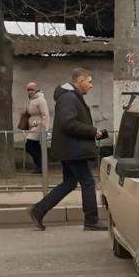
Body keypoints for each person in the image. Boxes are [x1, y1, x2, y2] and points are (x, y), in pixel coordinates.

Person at [27, 68, 108, 231]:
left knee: (70, 182)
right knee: (88, 181)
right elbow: (68, 123)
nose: (91, 86)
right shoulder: (69, 98)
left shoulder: (70, 97)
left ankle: (38, 210)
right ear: (80, 81)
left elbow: (69, 122)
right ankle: (91, 220)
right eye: (89, 82)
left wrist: (93, 133)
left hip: (71, 147)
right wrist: (92, 131)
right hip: (73, 149)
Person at [22, 81, 50, 174]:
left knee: (29, 145)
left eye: (32, 89)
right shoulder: (30, 99)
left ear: (36, 89)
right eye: (28, 90)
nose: (30, 92)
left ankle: (42, 164)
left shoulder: (41, 100)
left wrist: (44, 128)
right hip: (32, 126)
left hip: (39, 126)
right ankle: (39, 167)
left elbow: (45, 115)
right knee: (36, 147)